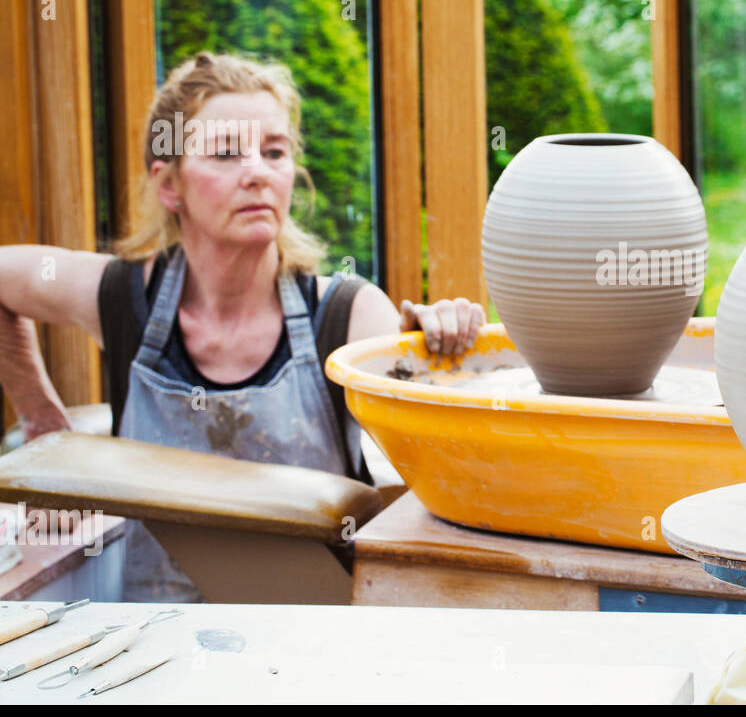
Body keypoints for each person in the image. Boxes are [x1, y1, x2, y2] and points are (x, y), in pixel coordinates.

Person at [0, 51, 486, 598]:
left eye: (273, 152)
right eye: (226, 154)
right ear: (169, 185)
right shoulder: (121, 299)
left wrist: (447, 348)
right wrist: (44, 423)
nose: (256, 172)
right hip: (155, 650)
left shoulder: (348, 314)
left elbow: (457, 464)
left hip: (313, 652)